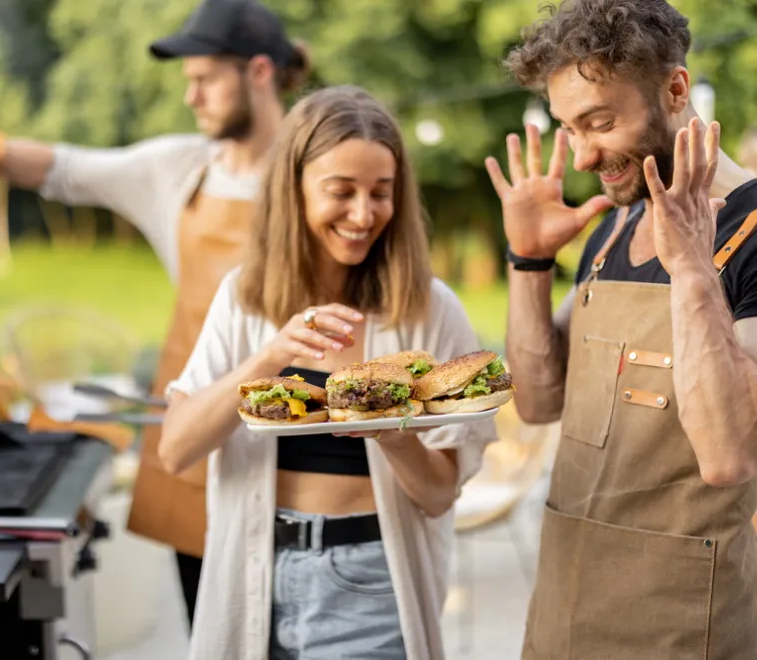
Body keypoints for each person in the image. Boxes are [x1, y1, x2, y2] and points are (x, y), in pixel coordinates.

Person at [0, 0, 311, 629]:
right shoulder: (179, 168)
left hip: (300, 439)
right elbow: (60, 169)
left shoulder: (319, 172)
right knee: (215, 629)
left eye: (204, 78)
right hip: (197, 434)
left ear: (260, 72)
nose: (191, 97)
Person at [158, 85, 497, 660]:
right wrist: (269, 358)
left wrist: (393, 435)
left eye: (381, 194)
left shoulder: (429, 309)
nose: (364, 215)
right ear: (293, 191)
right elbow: (175, 449)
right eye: (341, 191)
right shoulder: (244, 300)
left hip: (371, 578)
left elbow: (439, 496)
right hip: (254, 569)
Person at [484, 1, 757, 658]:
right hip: (565, 609)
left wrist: (693, 271)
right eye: (568, 128)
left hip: (682, 627)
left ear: (675, 89)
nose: (581, 157)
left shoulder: (751, 234)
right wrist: (529, 262)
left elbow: (729, 453)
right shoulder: (612, 228)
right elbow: (538, 401)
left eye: (600, 123)